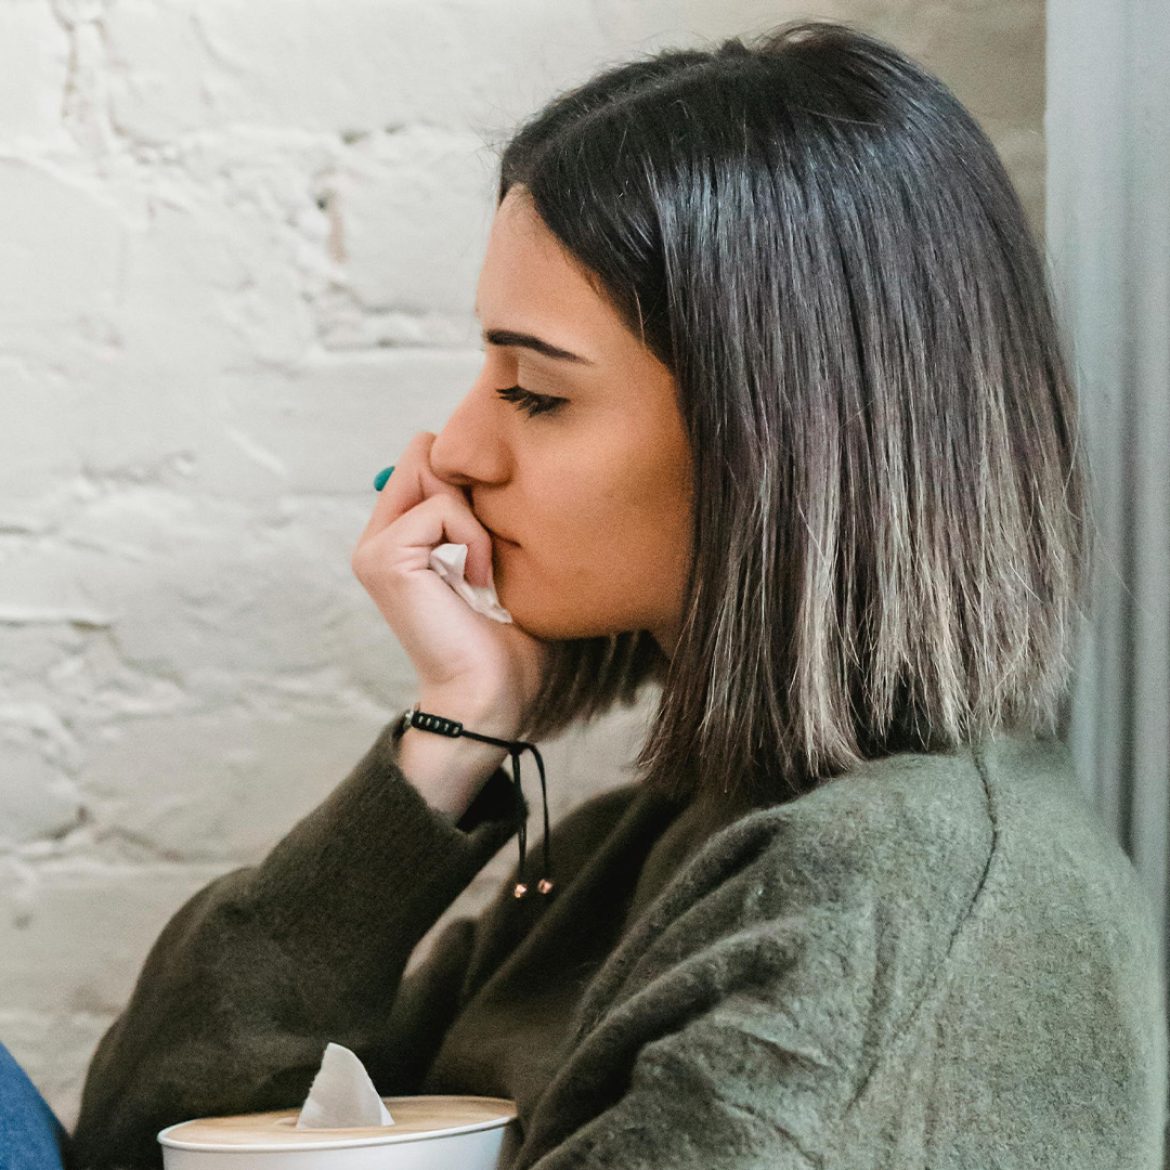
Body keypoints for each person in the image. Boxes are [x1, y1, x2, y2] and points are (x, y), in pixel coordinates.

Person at [8, 17, 1165, 1170]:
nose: (453, 448)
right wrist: (447, 740)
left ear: (778, 443)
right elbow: (144, 1142)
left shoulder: (891, 903)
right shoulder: (643, 845)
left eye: (535, 392)